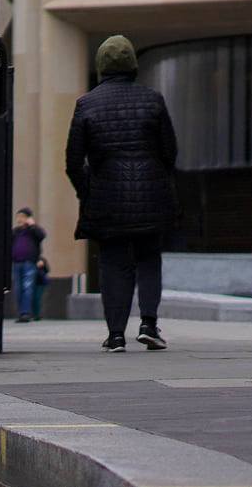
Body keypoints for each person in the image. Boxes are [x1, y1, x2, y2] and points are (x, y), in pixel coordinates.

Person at [66, 34, 177, 353]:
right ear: (132, 65)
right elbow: (170, 150)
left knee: (113, 262)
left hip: (107, 197)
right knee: (148, 258)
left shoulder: (86, 104)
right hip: (150, 196)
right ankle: (148, 324)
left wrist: (87, 190)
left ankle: (115, 334)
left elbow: (73, 160)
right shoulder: (153, 99)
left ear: (101, 66)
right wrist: (158, 178)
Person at [11, 207, 47, 322]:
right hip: (17, 263)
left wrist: (32, 225)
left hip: (29, 263)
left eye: (23, 216)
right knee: (18, 288)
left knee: (27, 288)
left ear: (28, 218)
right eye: (18, 216)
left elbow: (42, 235)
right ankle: (21, 313)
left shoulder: (33, 231)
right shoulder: (16, 232)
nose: (20, 219)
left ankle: (26, 313)